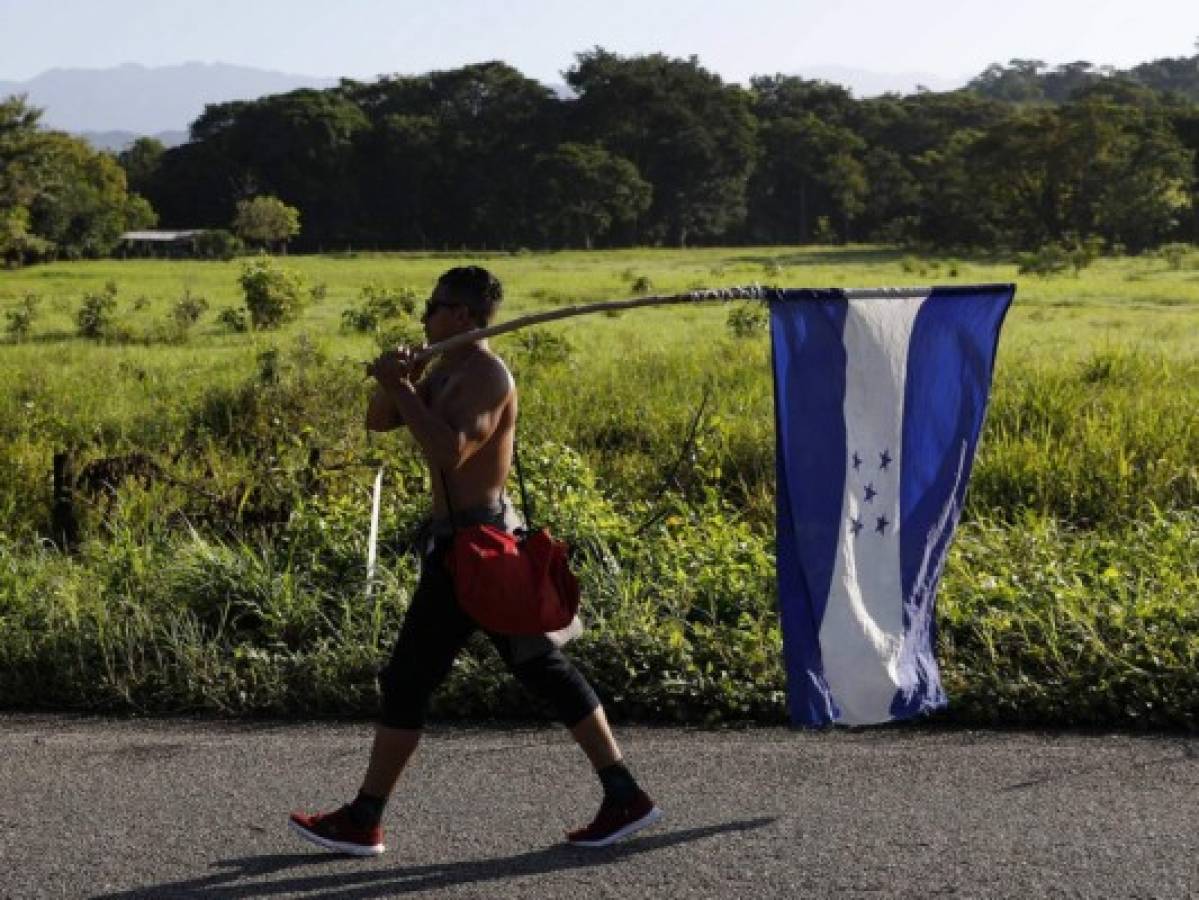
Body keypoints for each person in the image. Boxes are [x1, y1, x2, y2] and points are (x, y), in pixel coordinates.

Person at [289, 266, 661, 856]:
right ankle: (623, 794)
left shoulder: (488, 375)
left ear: (460, 315)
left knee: (473, 673)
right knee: (511, 670)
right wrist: (398, 381)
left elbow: (451, 451)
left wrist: (408, 389)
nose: (423, 318)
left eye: (430, 308)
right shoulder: (444, 368)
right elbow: (379, 421)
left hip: (482, 548)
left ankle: (365, 817)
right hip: (453, 548)